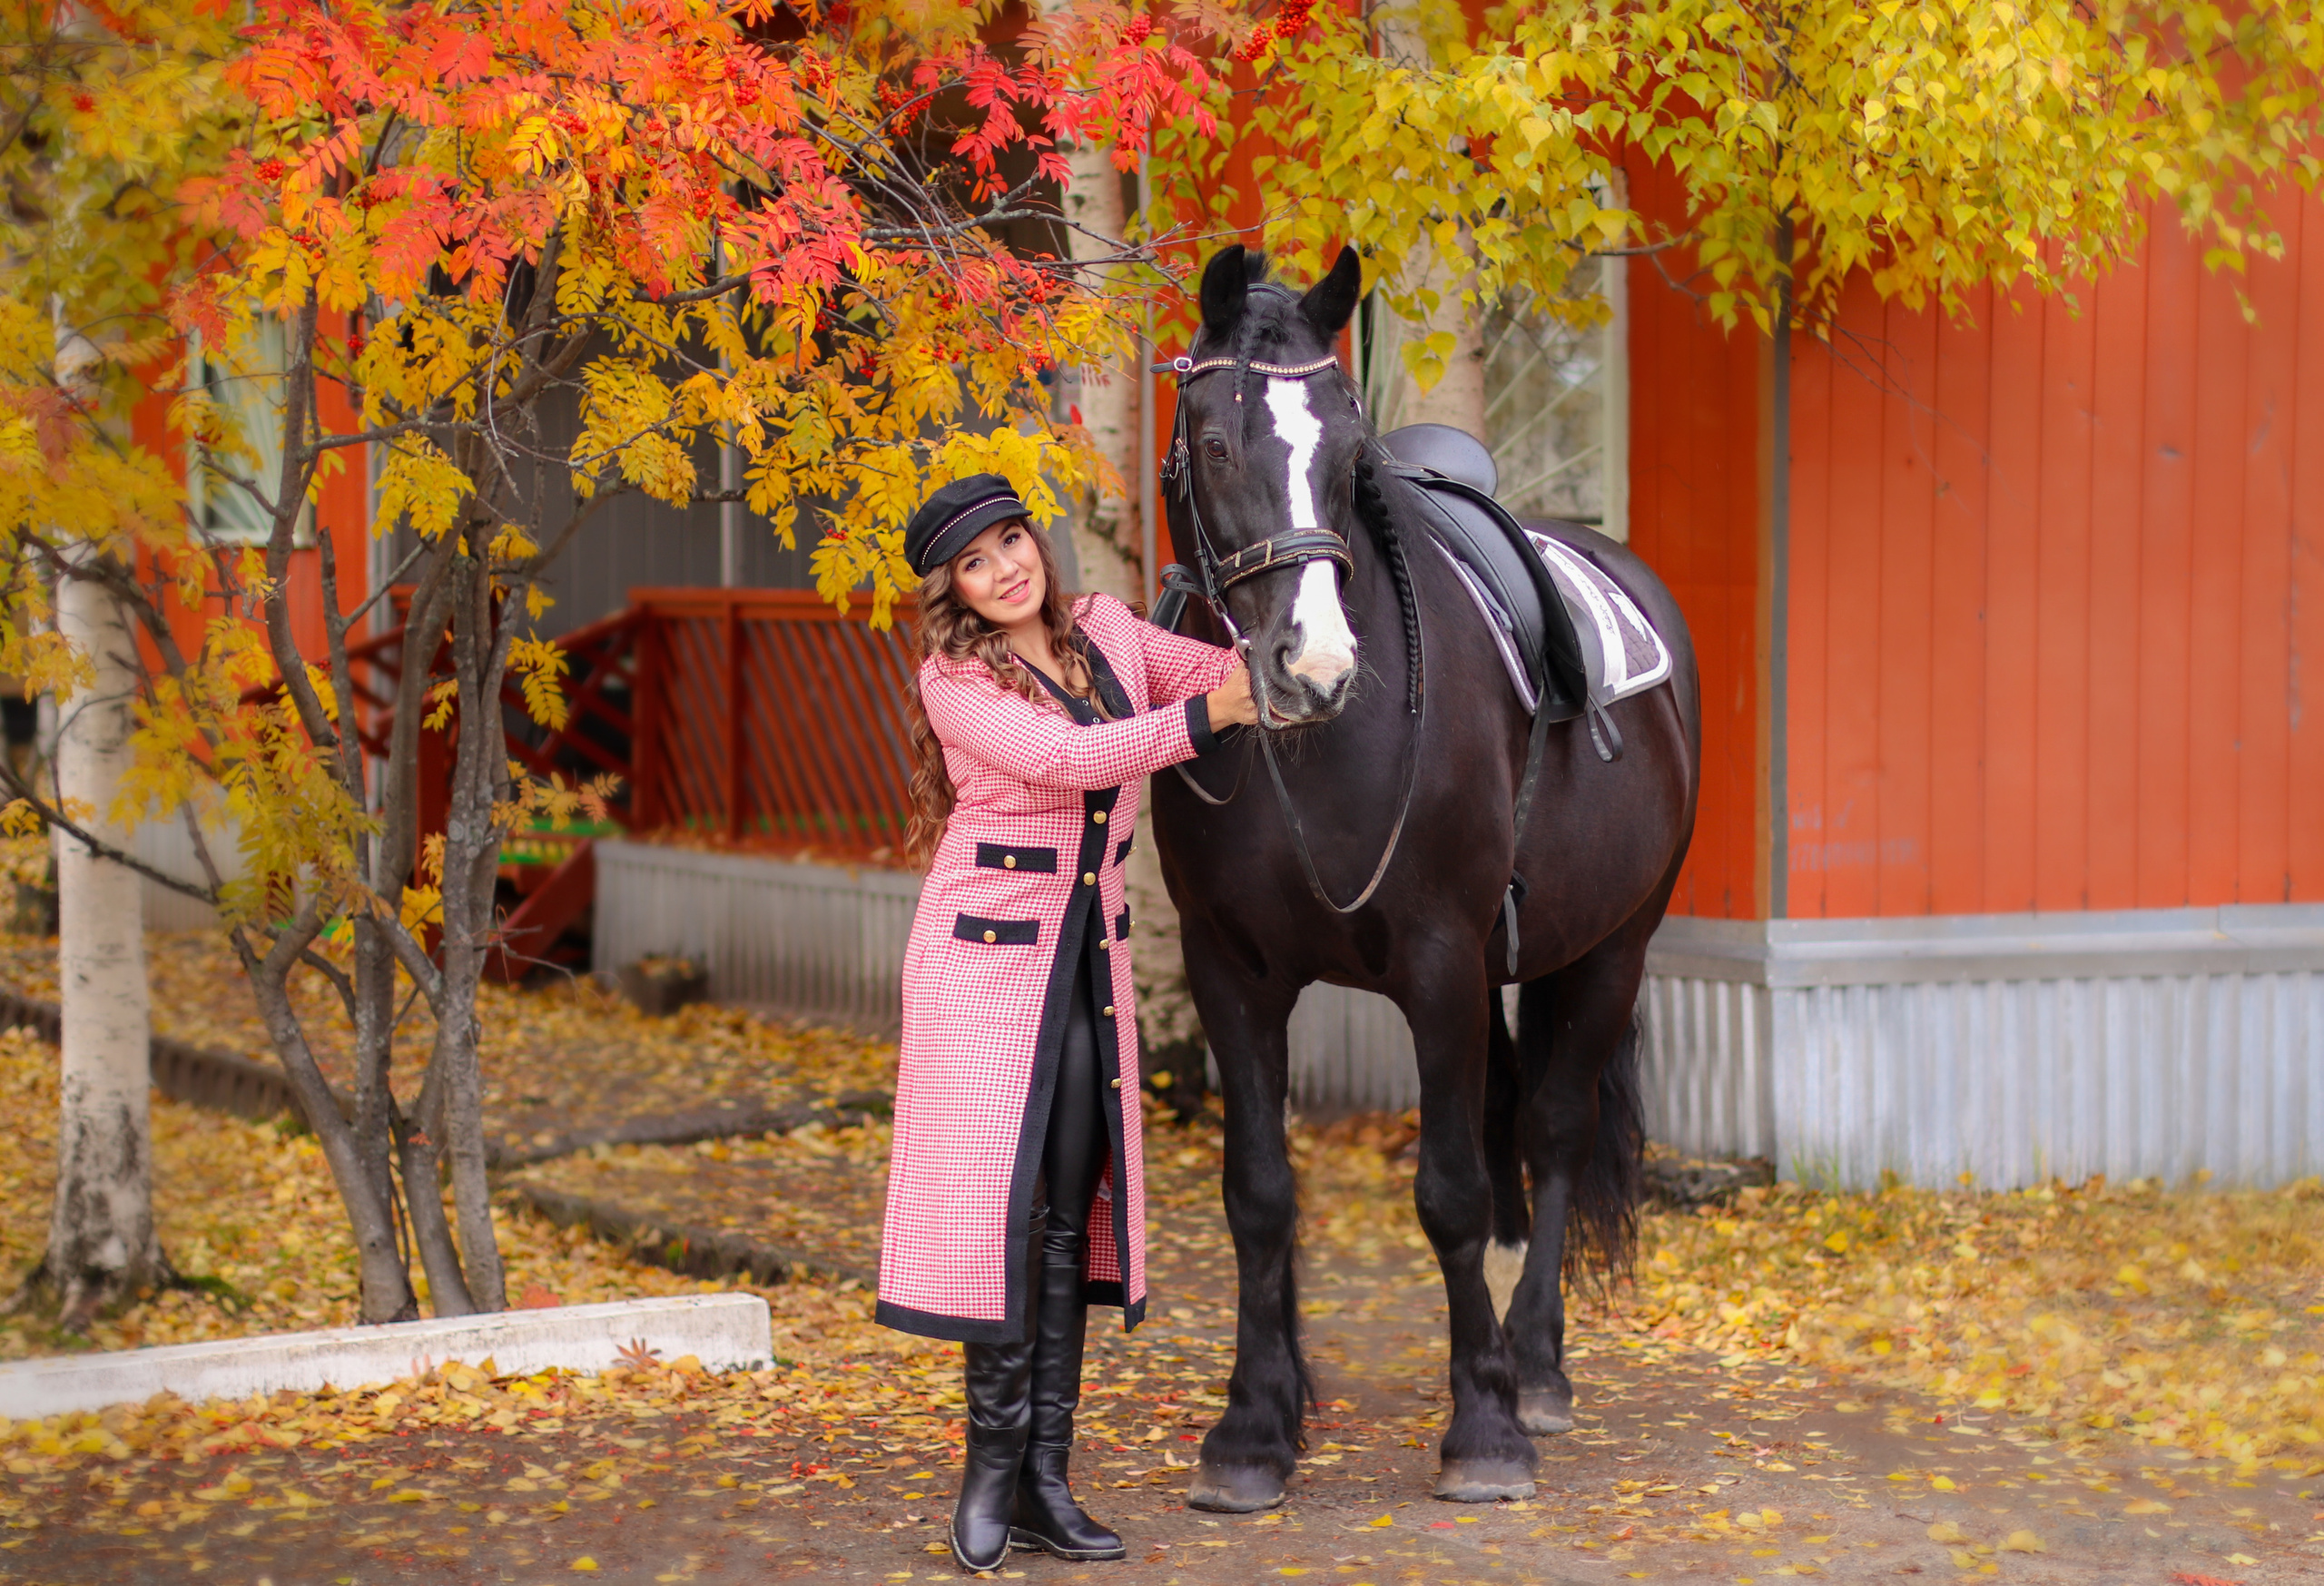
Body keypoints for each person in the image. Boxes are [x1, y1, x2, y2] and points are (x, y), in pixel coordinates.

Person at [881, 473, 1257, 1572]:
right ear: (952, 588)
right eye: (976, 562)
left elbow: (1227, 669)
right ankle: (989, 1474)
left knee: (1065, 1216)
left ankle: (1047, 1480)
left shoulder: (1106, 630)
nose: (1006, 568)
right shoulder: (953, 677)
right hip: (980, 963)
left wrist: (1276, 640)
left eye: (1012, 542)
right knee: (1006, 1212)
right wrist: (1207, 716)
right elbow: (1068, 759)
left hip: (1086, 958)